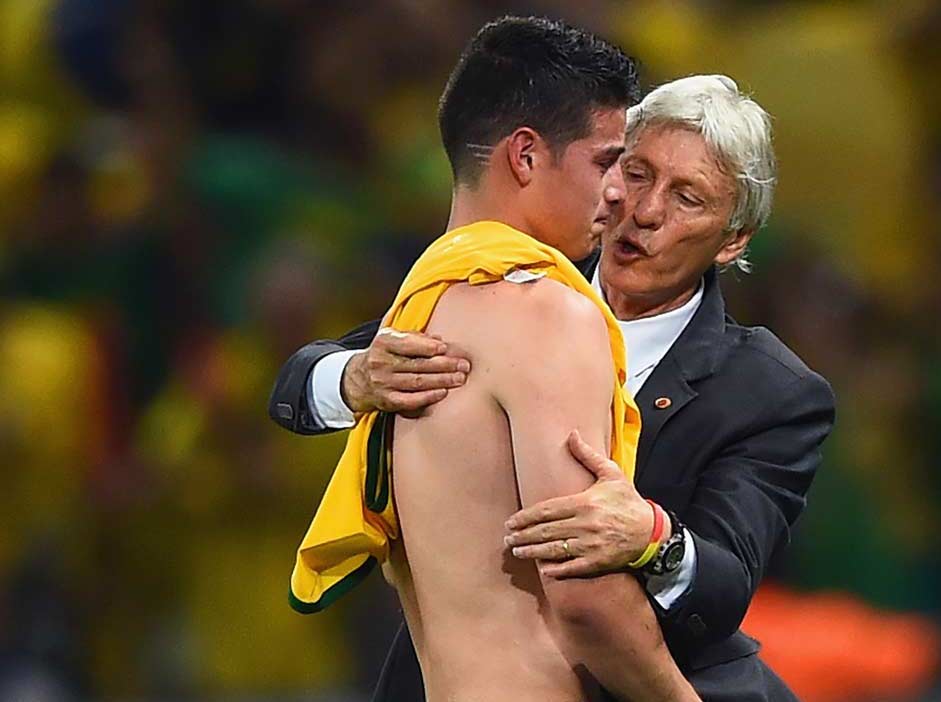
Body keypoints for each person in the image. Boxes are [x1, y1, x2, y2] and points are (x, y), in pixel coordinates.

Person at [270, 75, 836, 701]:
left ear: (732, 241)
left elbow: (727, 583)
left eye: (687, 199)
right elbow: (301, 380)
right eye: (637, 172)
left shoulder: (770, 390)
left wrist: (656, 539)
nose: (645, 212)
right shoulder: (509, 288)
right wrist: (352, 378)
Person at [284, 16, 698, 702]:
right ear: (527, 156)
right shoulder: (546, 315)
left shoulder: (420, 315)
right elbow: (582, 592)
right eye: (607, 162)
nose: (622, 194)